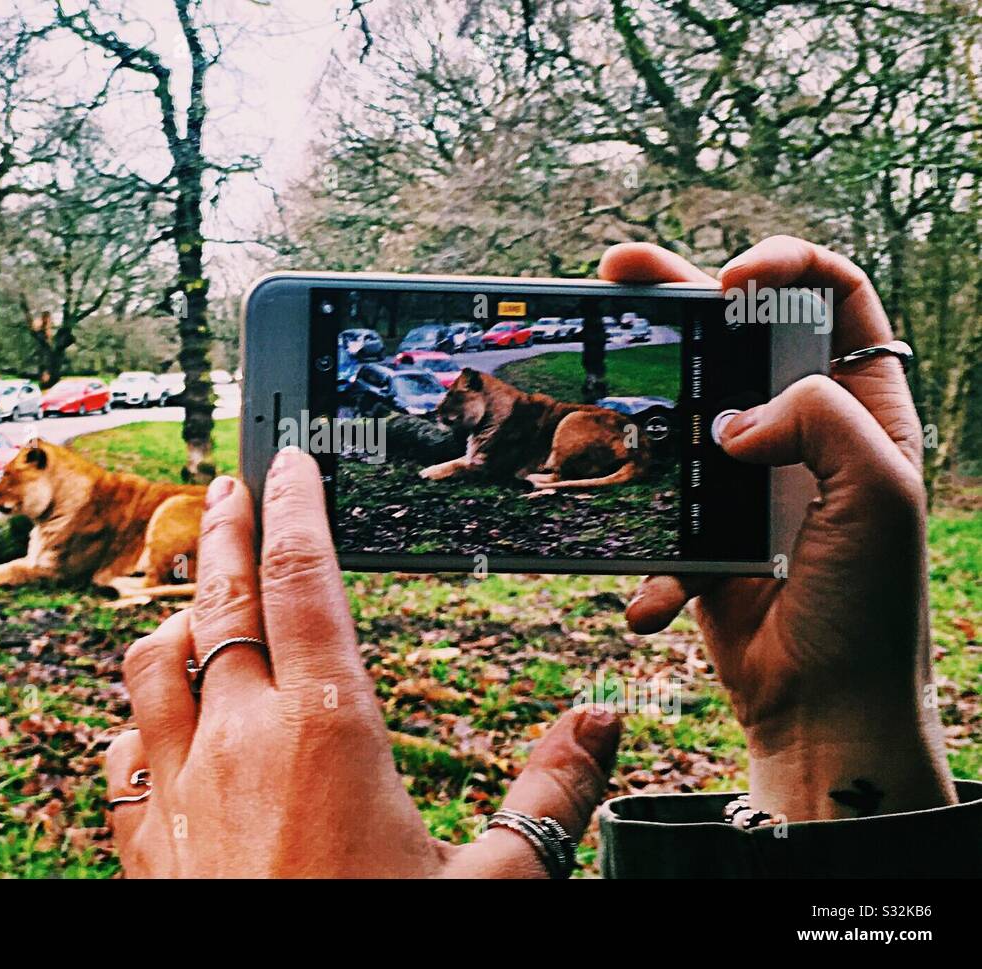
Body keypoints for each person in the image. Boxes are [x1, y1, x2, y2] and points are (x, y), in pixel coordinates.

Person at [102, 237, 982, 878]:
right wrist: (834, 721)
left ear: (480, 393)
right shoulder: (481, 415)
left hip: (577, 447)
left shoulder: (516, 414)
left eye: (460, 406)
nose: (455, 416)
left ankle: (567, 479)